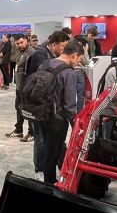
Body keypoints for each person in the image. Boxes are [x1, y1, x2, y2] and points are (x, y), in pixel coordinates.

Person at [36, 41, 84, 185]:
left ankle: (48, 176)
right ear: (74, 55)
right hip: (57, 119)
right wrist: (74, 123)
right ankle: (50, 183)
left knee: (47, 147)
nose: (78, 63)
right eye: (79, 60)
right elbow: (70, 104)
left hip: (41, 113)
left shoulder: (46, 63)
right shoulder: (68, 72)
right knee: (52, 153)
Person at [25, 30, 70, 178]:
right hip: (40, 105)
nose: (65, 49)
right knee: (41, 140)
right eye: (63, 46)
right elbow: (41, 81)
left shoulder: (53, 56)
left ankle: (59, 167)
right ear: (54, 45)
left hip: (50, 106)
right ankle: (40, 170)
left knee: (54, 141)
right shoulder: (41, 55)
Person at [5, 34, 34, 141]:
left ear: (26, 40)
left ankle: (32, 132)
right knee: (18, 108)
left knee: (28, 110)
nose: (20, 45)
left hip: (27, 87)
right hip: (19, 87)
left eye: (22, 42)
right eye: (17, 43)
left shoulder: (31, 53)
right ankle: (18, 130)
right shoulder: (21, 51)